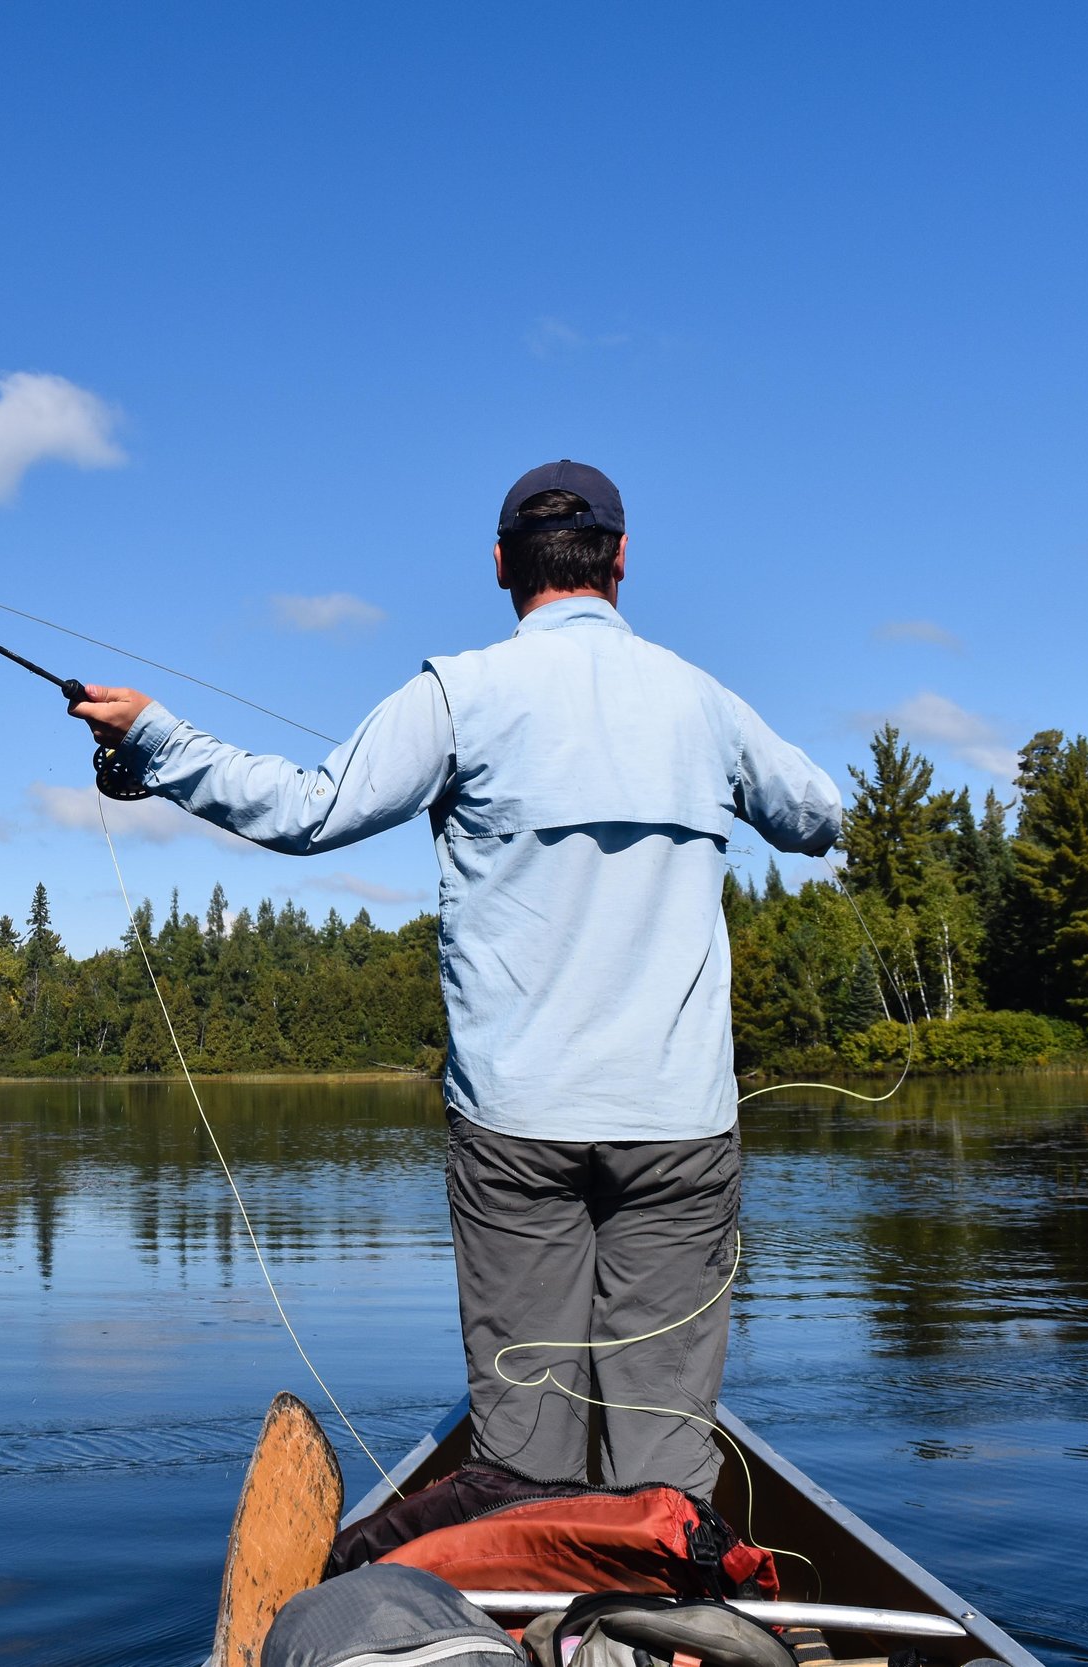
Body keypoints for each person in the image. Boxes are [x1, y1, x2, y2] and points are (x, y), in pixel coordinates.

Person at [70, 460, 841, 1492]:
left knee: (524, 1444)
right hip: (678, 1127)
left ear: (498, 567)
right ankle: (661, 1628)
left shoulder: (457, 691)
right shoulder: (701, 700)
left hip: (515, 1127)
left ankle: (533, 1610)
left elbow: (306, 812)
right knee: (664, 1447)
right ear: (620, 557)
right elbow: (817, 815)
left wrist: (156, 738)